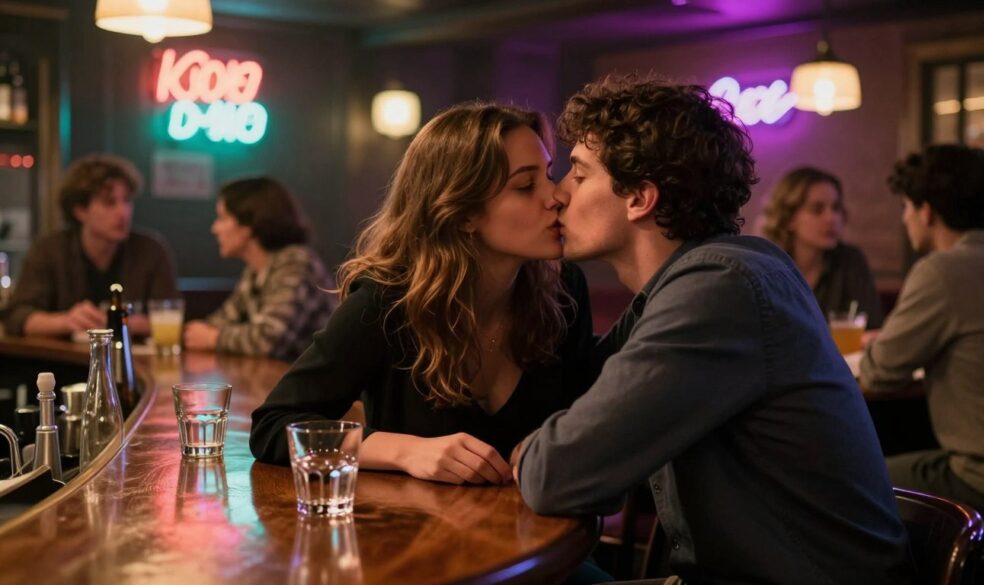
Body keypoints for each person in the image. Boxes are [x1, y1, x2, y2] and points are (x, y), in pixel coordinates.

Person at [511, 76, 912, 585]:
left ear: (640, 198)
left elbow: (559, 474)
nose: (558, 195)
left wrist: (530, 449)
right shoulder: (694, 282)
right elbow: (573, 395)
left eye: (579, 174)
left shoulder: (719, 288)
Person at [249, 103, 594, 487]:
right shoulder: (389, 300)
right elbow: (273, 427)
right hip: (415, 538)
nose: (557, 195)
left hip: (544, 538)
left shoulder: (565, 292)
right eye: (526, 185)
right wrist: (403, 451)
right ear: (462, 212)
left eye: (549, 174)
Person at [860, 144, 984, 520]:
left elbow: (877, 375)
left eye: (905, 207)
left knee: (853, 480)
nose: (904, 219)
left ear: (926, 212)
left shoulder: (941, 271)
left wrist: (878, 346)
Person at [1, 154, 178, 338]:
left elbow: (172, 315)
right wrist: (66, 321)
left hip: (132, 362)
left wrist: (115, 321)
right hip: (64, 363)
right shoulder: (50, 250)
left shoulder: (150, 250)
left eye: (126, 200)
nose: (123, 212)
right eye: (109, 202)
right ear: (80, 210)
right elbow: (16, 317)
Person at [183, 177, 335, 362]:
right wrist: (196, 334)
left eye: (222, 218)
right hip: (287, 380)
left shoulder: (295, 262)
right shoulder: (256, 270)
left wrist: (214, 338)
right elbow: (221, 320)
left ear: (248, 226)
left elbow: (269, 340)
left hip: (319, 386)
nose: (214, 228)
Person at [761, 167, 883, 328]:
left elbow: (873, 328)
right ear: (789, 218)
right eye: (817, 209)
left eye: (836, 208)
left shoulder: (850, 261)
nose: (831, 218)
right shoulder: (769, 267)